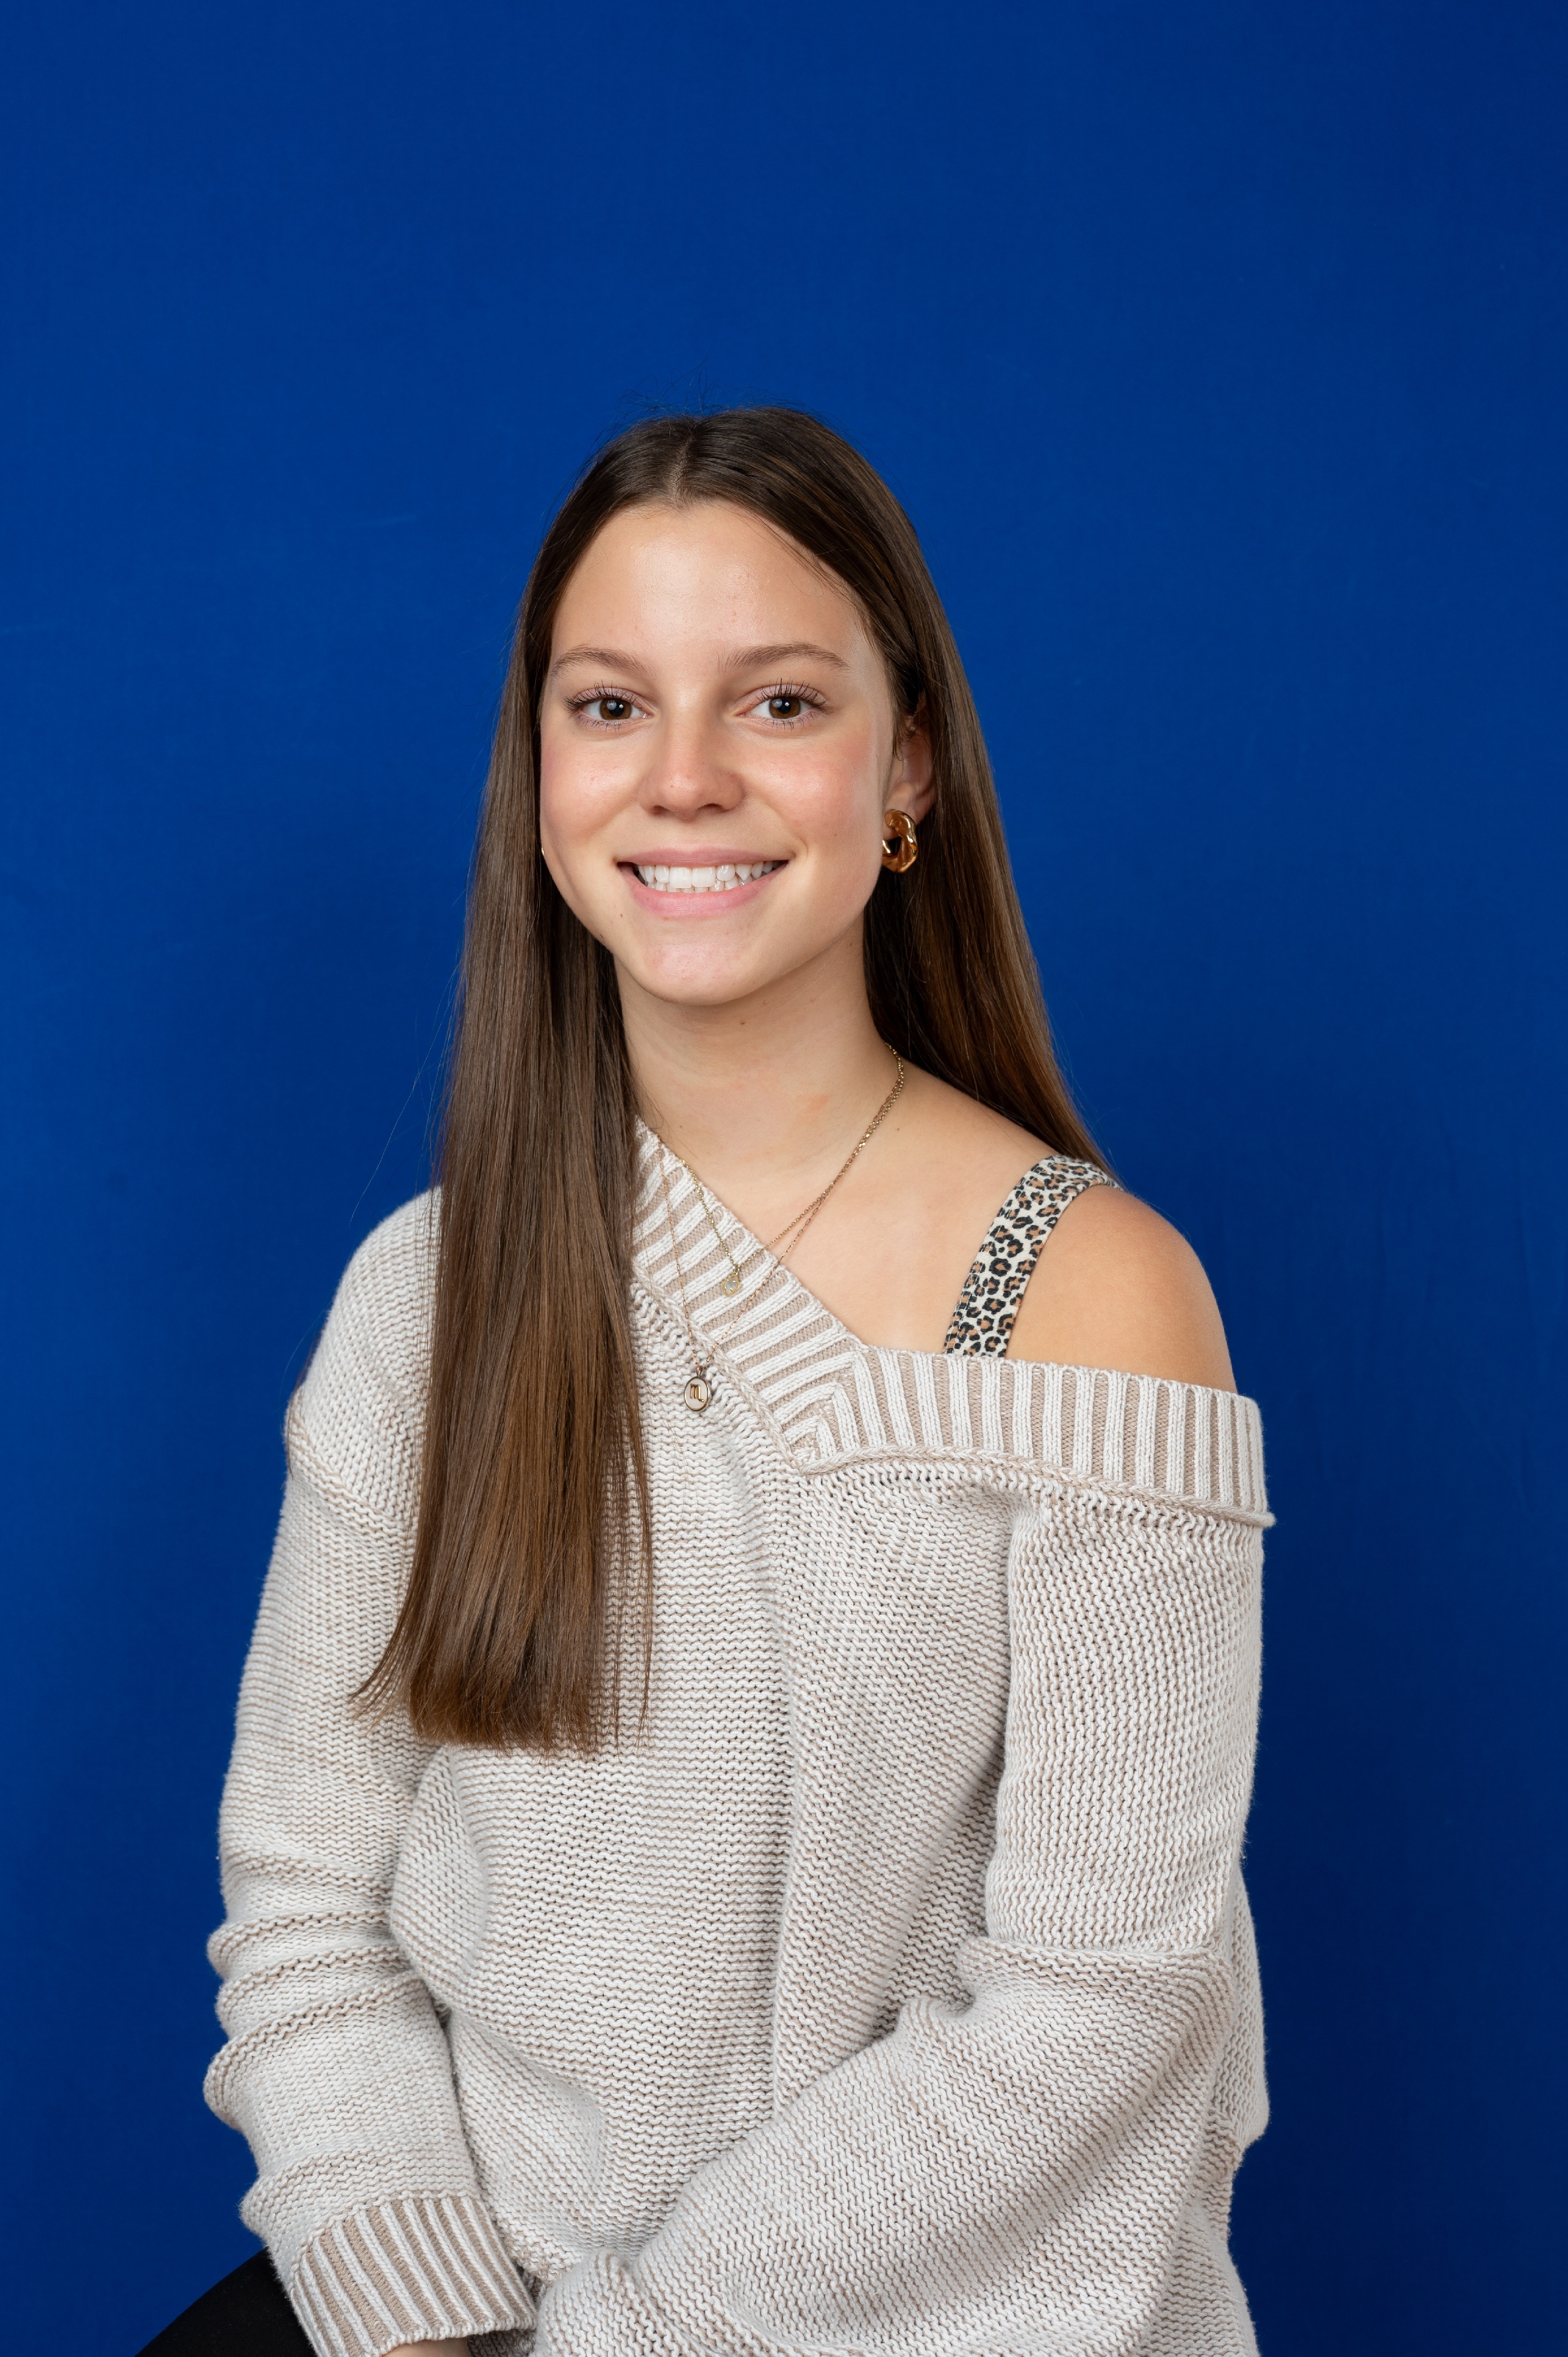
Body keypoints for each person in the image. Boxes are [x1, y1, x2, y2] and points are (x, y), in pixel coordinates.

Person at [148, 408, 1269, 2357]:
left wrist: (632, 2339)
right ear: (540, 772)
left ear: (906, 765)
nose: (683, 778)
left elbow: (1100, 2001)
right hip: (459, 2320)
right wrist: (424, 2316)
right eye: (610, 705)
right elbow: (310, 1901)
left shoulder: (1099, 1300)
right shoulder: (426, 1299)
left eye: (778, 702)